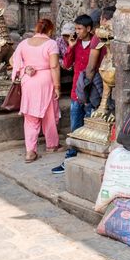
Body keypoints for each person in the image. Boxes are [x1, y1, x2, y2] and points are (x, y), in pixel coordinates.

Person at [11, 18, 62, 163]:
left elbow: (12, 61)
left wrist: (25, 68)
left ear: (36, 29)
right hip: (45, 81)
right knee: (49, 114)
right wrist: (57, 86)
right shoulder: (51, 44)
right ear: (50, 30)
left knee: (30, 117)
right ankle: (52, 145)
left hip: (28, 81)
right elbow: (54, 66)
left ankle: (30, 152)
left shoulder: (23, 43)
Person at [52, 13, 97, 173]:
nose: (76, 31)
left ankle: (88, 158)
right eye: (75, 28)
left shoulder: (97, 45)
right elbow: (67, 64)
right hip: (76, 92)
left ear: (89, 29)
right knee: (75, 127)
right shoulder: (76, 44)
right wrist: (70, 47)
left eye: (79, 28)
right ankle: (70, 157)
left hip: (92, 93)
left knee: (91, 128)